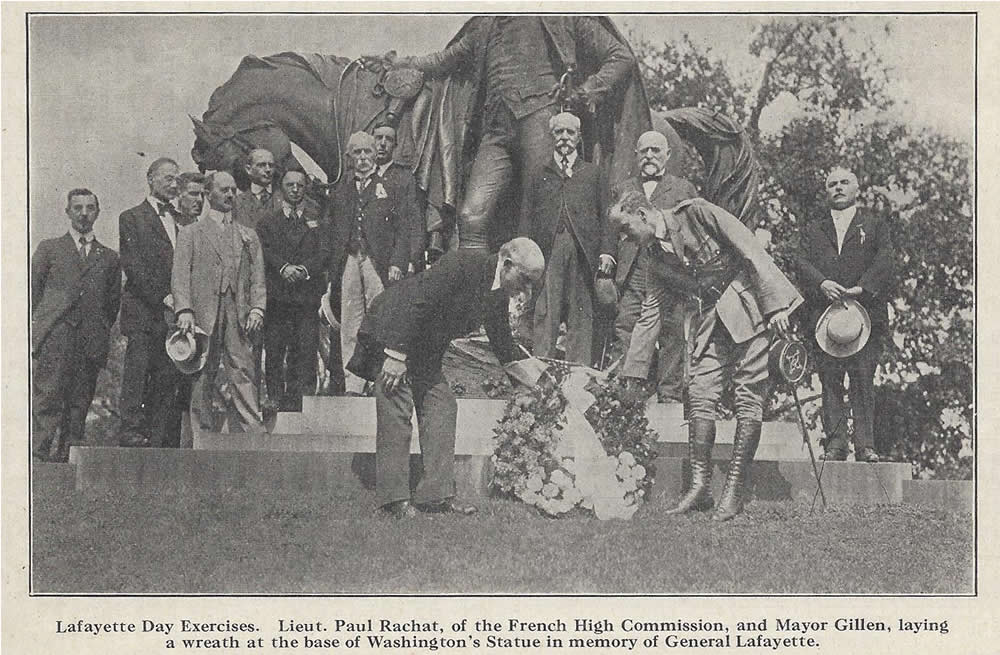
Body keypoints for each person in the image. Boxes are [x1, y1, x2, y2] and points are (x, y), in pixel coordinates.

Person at [610, 193, 801, 521]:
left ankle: (734, 493)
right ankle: (700, 488)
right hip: (710, 319)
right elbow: (651, 313)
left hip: (750, 305)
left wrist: (775, 306)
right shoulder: (651, 258)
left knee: (748, 396)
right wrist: (633, 373)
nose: (623, 238)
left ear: (642, 214)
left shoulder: (696, 213)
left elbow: (749, 248)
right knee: (699, 393)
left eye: (626, 229)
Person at [386, 16, 642, 251]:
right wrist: (402, 63)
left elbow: (620, 57)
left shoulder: (561, 15)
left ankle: (541, 293)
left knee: (541, 209)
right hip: (496, 131)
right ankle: (472, 291)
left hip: (541, 118)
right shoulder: (486, 25)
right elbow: (444, 60)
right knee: (470, 216)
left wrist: (584, 92)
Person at [352, 238, 546, 518]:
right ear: (507, 264)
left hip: (423, 348)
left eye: (532, 285)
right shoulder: (462, 264)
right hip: (393, 331)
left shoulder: (496, 291)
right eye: (525, 280)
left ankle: (435, 496)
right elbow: (418, 302)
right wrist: (395, 355)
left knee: (442, 404)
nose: (526, 292)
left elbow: (503, 343)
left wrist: (528, 385)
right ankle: (394, 501)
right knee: (397, 404)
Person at [796, 167, 895, 462]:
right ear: (826, 191)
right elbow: (799, 261)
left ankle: (865, 445)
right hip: (825, 318)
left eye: (844, 183)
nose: (838, 188)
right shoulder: (814, 229)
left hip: (865, 315)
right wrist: (822, 283)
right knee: (830, 379)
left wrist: (861, 289)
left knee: (863, 378)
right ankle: (836, 443)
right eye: (832, 184)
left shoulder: (874, 225)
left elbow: (885, 260)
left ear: (856, 189)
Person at [171, 170, 267, 437]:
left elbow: (258, 276)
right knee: (202, 371)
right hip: (203, 314)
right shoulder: (191, 233)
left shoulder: (247, 235)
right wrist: (184, 310)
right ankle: (200, 433)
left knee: (243, 368)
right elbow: (180, 276)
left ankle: (253, 431)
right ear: (208, 194)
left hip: (238, 312)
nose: (230, 195)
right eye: (224, 190)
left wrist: (257, 307)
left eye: (234, 190)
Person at [327, 131, 420, 395]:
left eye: (368, 152)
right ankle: (353, 384)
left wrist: (398, 262)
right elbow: (333, 230)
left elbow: (404, 228)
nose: (364, 157)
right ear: (350, 157)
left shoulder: (388, 187)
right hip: (349, 260)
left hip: (378, 261)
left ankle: (377, 379)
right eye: (357, 153)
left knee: (380, 319)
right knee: (350, 320)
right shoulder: (341, 190)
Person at [32, 189, 121, 461]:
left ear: (97, 212)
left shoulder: (108, 257)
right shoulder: (50, 249)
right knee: (48, 397)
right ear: (68, 212)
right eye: (78, 208)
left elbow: (111, 303)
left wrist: (98, 330)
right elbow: (33, 293)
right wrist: (44, 330)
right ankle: (38, 456)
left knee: (80, 402)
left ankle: (68, 458)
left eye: (90, 208)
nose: (84, 213)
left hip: (89, 341)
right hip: (56, 338)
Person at [519, 111, 613, 364]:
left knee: (581, 316)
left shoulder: (593, 174)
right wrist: (523, 255)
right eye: (559, 132)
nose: (564, 138)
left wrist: (606, 253)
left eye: (570, 132)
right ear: (551, 137)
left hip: (583, 252)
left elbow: (607, 216)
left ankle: (578, 377)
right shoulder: (538, 173)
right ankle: (541, 376)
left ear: (579, 137)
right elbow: (526, 217)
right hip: (547, 253)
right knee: (545, 312)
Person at [611, 131, 698, 402]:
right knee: (627, 325)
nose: (650, 156)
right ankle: (626, 395)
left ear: (667, 155)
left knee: (672, 331)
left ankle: (669, 396)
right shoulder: (623, 188)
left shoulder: (683, 188)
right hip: (633, 268)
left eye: (656, 151)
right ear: (636, 155)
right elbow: (610, 232)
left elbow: (694, 230)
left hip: (670, 271)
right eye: (644, 151)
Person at [117, 157, 187, 447]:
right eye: (167, 178)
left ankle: (158, 437)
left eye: (176, 180)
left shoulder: (181, 220)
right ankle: (131, 430)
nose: (173, 184)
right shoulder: (131, 217)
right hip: (144, 312)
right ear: (150, 179)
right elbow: (134, 267)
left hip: (172, 315)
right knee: (138, 372)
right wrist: (163, 296)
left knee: (166, 375)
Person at [255, 168, 330, 411]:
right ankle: (275, 397)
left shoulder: (317, 222)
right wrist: (284, 267)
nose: (295, 189)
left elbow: (324, 253)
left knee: (306, 348)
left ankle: (302, 401)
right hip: (278, 296)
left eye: (300, 185)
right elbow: (263, 251)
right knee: (275, 348)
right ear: (281, 189)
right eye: (290, 185)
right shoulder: (267, 222)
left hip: (306, 297)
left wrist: (304, 270)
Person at [233, 148, 279, 230]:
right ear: (248, 169)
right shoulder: (236, 203)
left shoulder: (285, 199)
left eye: (271, 165)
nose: (268, 170)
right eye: (261, 165)